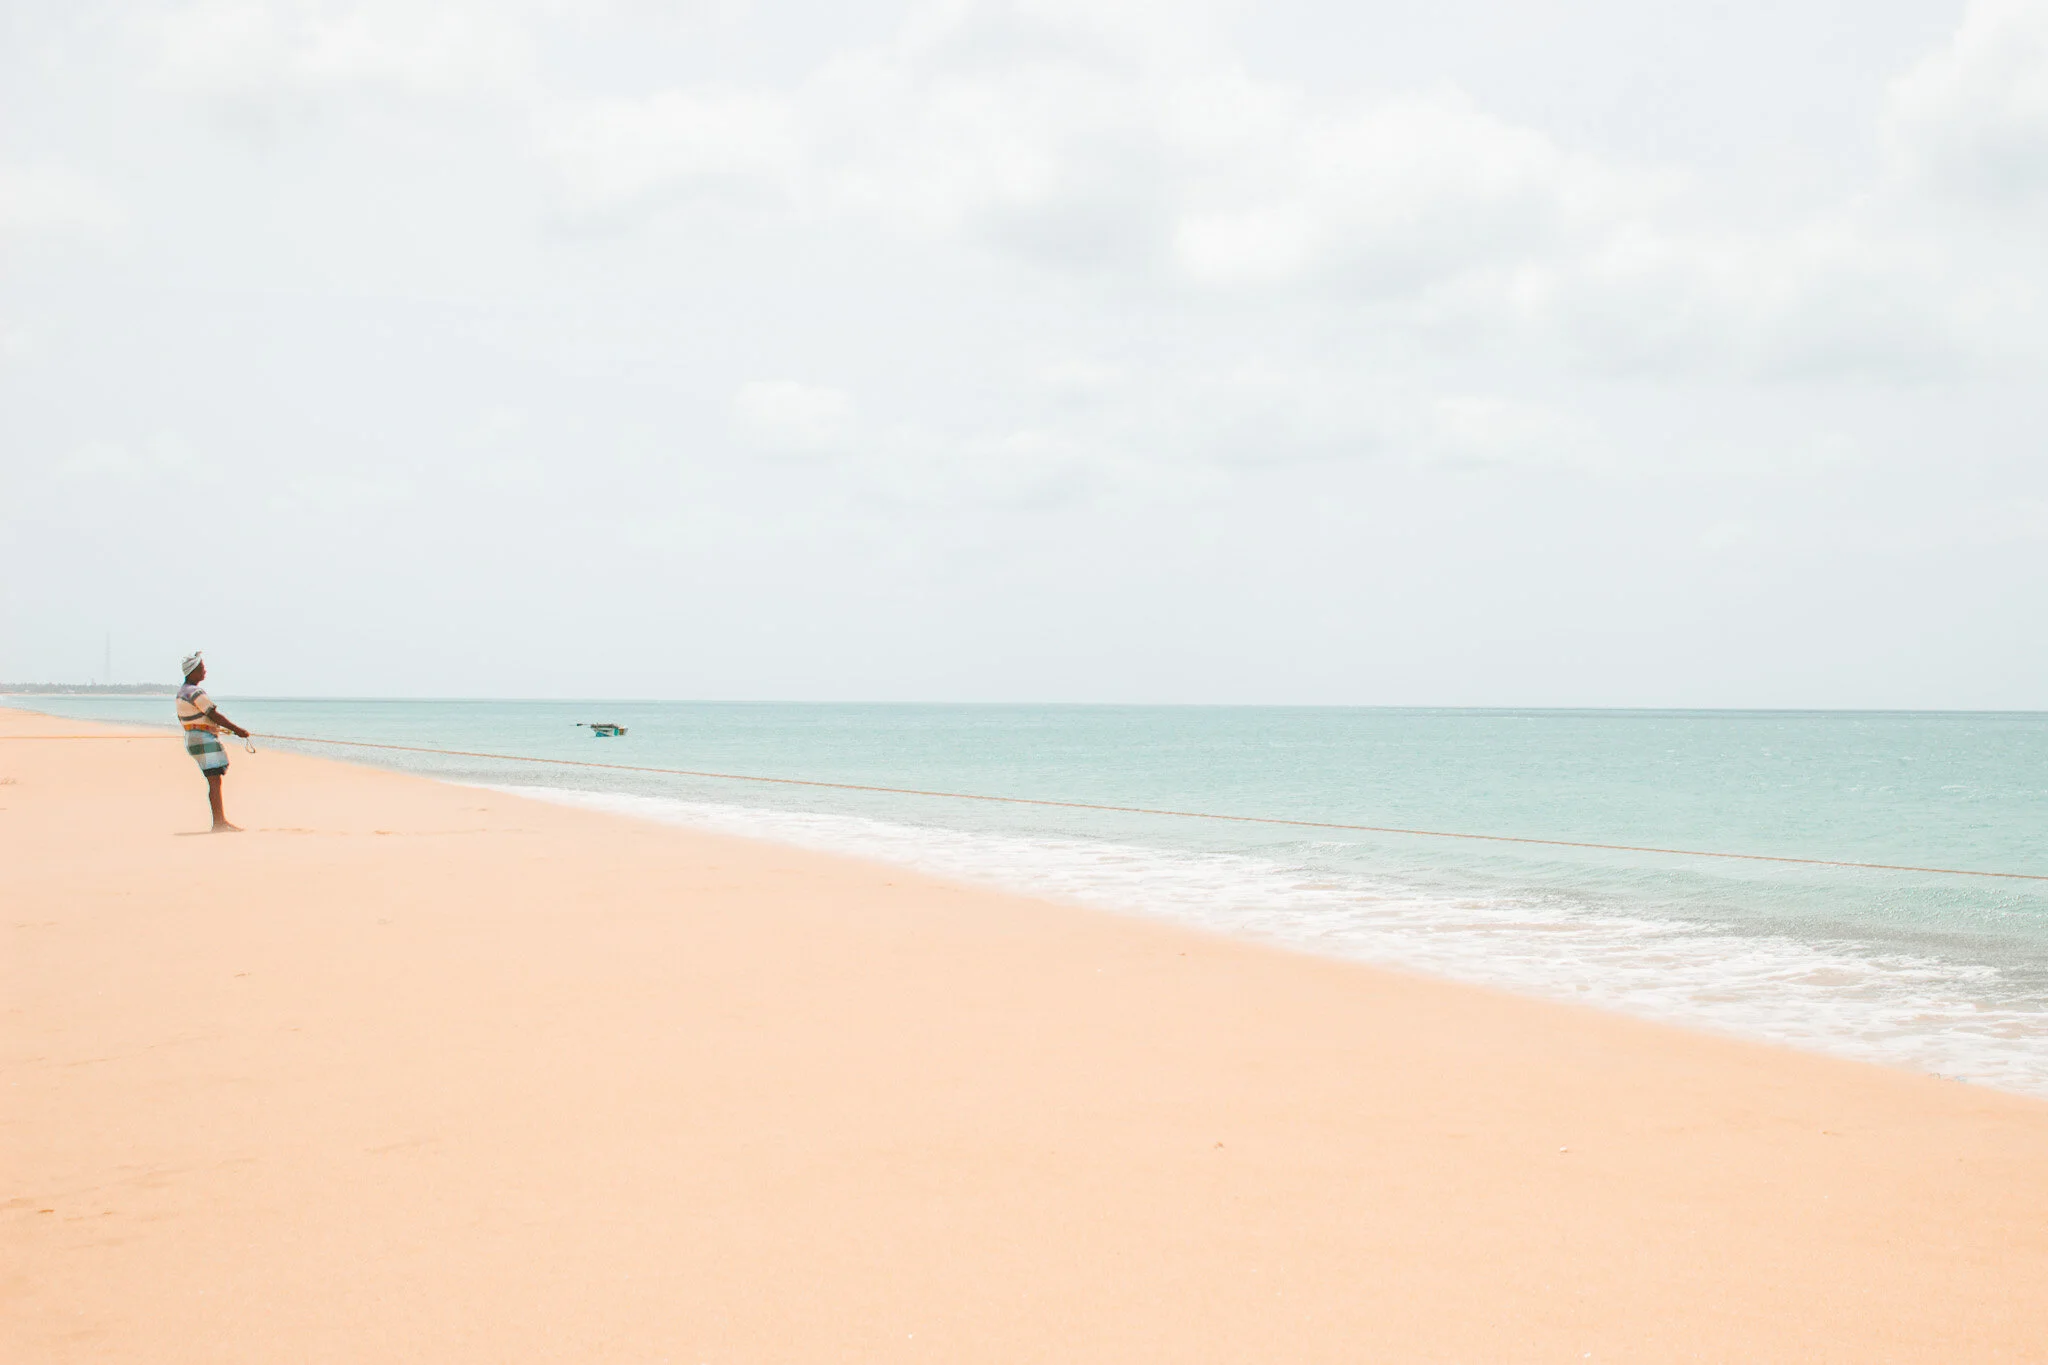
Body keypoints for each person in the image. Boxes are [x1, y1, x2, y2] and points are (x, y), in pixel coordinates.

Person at [175, 651, 251, 833]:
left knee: (214, 780)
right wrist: (237, 730)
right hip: (202, 739)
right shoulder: (194, 692)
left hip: (195, 738)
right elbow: (213, 714)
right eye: (201, 668)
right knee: (214, 780)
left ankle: (220, 821)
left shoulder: (182, 692)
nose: (204, 671)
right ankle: (219, 822)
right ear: (192, 672)